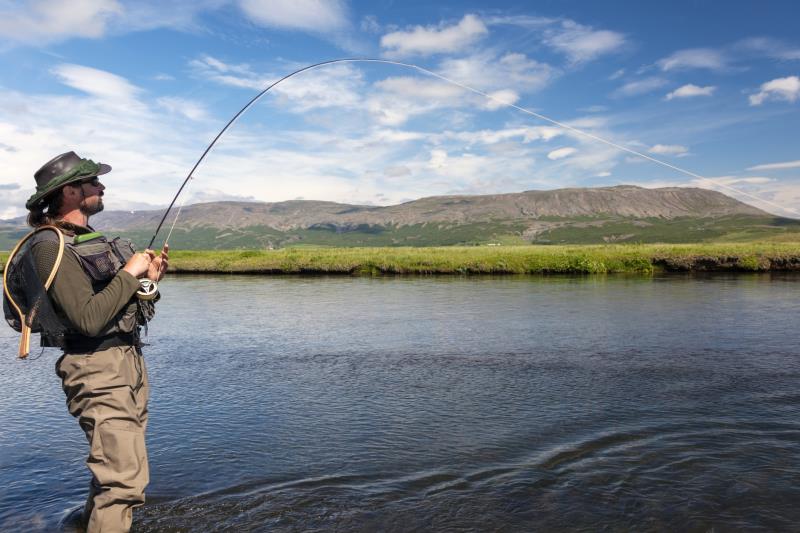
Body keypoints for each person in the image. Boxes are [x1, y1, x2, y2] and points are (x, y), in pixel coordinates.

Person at [22, 151, 168, 532]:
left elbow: (133, 310)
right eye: (93, 182)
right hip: (95, 368)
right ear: (69, 191)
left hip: (126, 364)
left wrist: (149, 280)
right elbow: (87, 320)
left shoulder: (89, 240)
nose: (102, 186)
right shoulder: (48, 246)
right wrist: (129, 274)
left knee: (116, 471)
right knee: (124, 481)